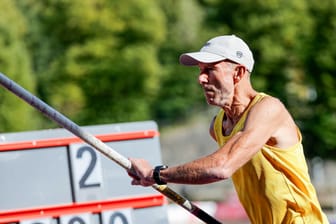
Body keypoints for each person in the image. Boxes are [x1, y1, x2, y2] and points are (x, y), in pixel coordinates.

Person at [128, 35, 329, 223]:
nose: (201, 79)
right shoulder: (218, 127)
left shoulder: (268, 109)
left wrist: (157, 174)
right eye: (200, 70)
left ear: (238, 73)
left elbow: (221, 167)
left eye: (210, 70)